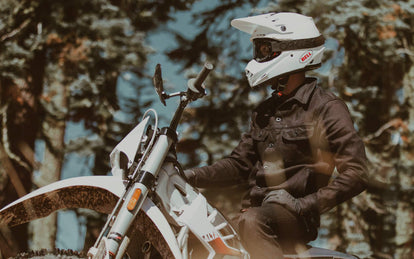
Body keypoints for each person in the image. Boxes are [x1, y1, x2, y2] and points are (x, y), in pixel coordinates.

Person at [185, 12, 368, 259]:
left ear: (292, 50)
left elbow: (356, 173)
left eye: (264, 49)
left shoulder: (326, 107)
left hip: (295, 219)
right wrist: (190, 175)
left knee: (252, 221)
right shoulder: (265, 111)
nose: (257, 57)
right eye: (257, 50)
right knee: (195, 232)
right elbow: (238, 165)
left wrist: (302, 205)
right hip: (253, 214)